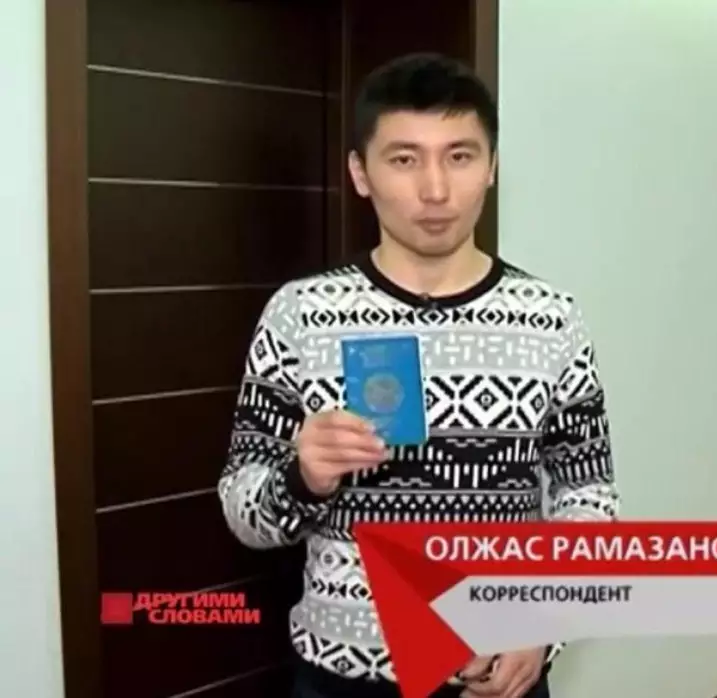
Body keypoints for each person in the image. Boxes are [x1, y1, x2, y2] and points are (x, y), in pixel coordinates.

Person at [217, 52, 621, 698]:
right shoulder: (300, 314)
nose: (435, 190)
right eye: (404, 159)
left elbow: (588, 498)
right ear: (361, 173)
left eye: (459, 156)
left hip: (498, 675)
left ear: (492, 166)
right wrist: (303, 477)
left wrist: (544, 622)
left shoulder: (552, 318)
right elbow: (243, 514)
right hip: (341, 678)